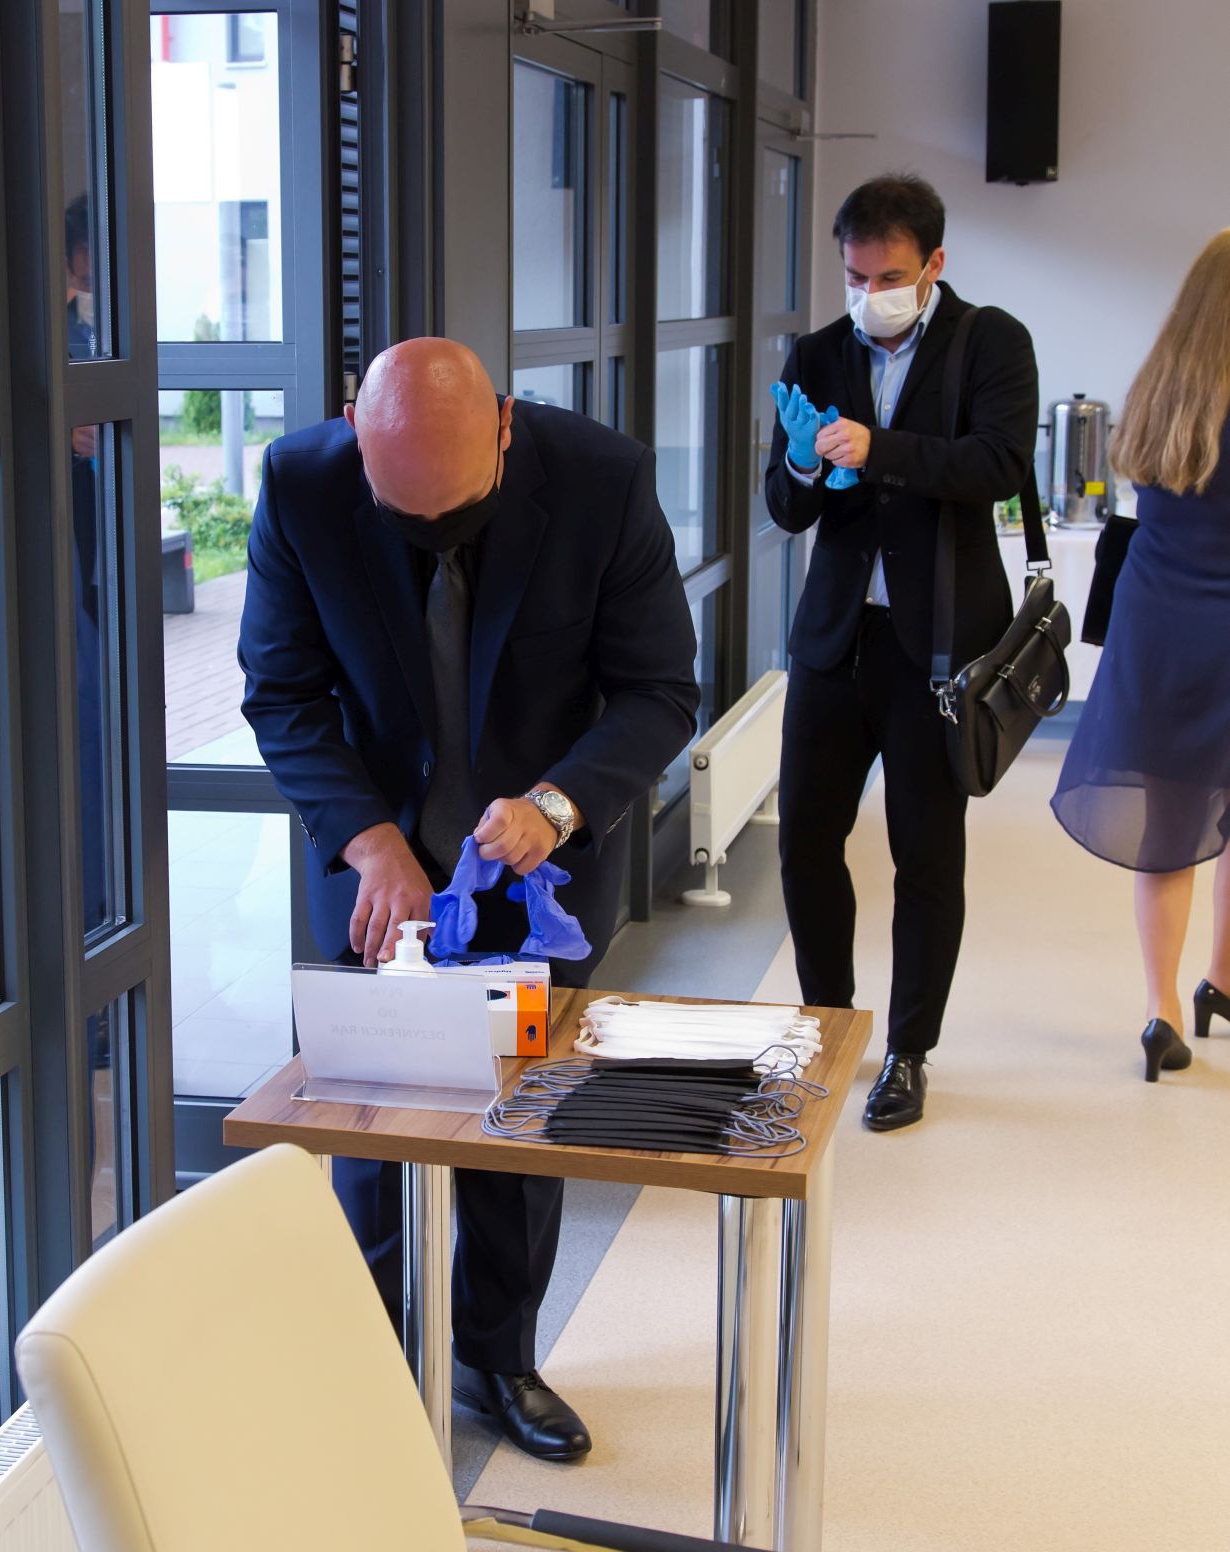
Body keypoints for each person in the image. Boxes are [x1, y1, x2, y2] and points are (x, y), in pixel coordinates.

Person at [238, 338, 698, 1460]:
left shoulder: (602, 479)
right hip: (374, 872)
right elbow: (283, 693)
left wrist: (556, 802)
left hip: (534, 868)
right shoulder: (300, 486)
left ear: (502, 424)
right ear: (357, 435)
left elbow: (657, 690)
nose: (434, 537)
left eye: (458, 514)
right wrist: (369, 841)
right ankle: (375, 1362)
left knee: (518, 1128)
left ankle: (499, 1360)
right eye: (407, 518)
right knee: (369, 1134)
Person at [766, 173, 1039, 1131]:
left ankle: (909, 1052)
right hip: (834, 640)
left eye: (887, 277)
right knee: (805, 839)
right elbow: (786, 508)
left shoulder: (989, 341)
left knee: (925, 853)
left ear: (932, 265)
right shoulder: (817, 352)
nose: (868, 294)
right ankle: (827, 1023)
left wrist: (875, 448)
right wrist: (802, 458)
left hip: (941, 648)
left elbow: (998, 464)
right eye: (853, 276)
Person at [1052, 232, 1230, 1080]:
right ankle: (1222, 980)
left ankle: (1163, 1012)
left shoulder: (1160, 392)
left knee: (1169, 828)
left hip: (1159, 630)